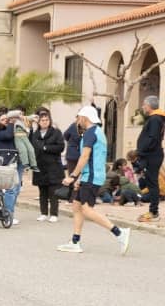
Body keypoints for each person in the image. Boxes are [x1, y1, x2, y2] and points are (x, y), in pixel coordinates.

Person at [57, 105, 131, 255]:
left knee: (86, 208)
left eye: (79, 118)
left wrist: (73, 176)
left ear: (85, 118)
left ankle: (119, 233)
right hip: (91, 175)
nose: (77, 121)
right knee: (77, 206)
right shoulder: (98, 132)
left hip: (91, 176)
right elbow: (93, 158)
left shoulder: (90, 133)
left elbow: (85, 157)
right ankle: (75, 242)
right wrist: (81, 178)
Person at [28, 107, 65, 221]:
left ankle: (54, 214)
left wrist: (45, 147)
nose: (44, 122)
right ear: (38, 122)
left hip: (53, 166)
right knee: (42, 191)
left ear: (50, 121)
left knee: (53, 191)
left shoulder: (56, 132)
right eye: (42, 120)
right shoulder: (35, 134)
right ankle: (43, 213)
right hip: (40, 166)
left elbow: (61, 147)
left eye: (46, 120)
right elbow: (30, 146)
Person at [135, 95, 164, 223]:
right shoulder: (156, 118)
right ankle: (153, 211)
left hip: (152, 155)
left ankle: (154, 212)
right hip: (152, 155)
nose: (143, 107)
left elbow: (153, 139)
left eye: (144, 105)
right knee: (151, 183)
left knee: (152, 184)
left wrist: (141, 151)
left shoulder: (155, 119)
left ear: (149, 106)